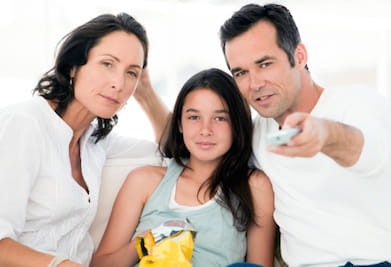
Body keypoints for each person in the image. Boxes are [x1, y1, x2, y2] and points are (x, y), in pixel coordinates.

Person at [219, 3, 391, 267]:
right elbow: (196, 137)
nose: (255, 84)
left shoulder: (360, 103)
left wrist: (324, 135)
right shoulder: (257, 133)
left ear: (300, 56)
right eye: (241, 73)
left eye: (265, 64)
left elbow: (368, 152)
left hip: (376, 261)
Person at [0, 13, 168, 266]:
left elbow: (176, 147)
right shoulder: (24, 124)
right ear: (73, 67)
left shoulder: (95, 141)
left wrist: (145, 93)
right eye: (107, 64)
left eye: (131, 73)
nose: (119, 83)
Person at [90, 68, 276, 267]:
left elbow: (259, 266)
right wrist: (144, 243)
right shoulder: (145, 181)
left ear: (237, 124)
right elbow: (100, 264)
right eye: (194, 117)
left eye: (220, 118)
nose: (206, 130)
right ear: (179, 124)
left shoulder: (254, 185)